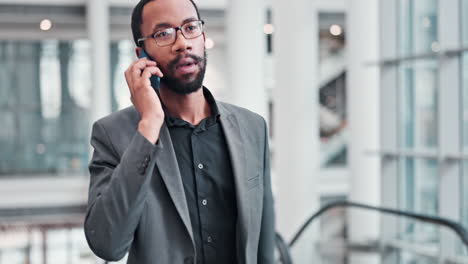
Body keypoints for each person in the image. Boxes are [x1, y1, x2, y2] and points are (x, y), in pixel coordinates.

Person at [84, 0, 275, 263]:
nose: (182, 43)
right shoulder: (113, 133)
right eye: (163, 34)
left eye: (190, 27)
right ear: (142, 54)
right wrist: (149, 124)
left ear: (203, 37)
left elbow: (262, 245)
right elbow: (107, 244)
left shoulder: (252, 127)